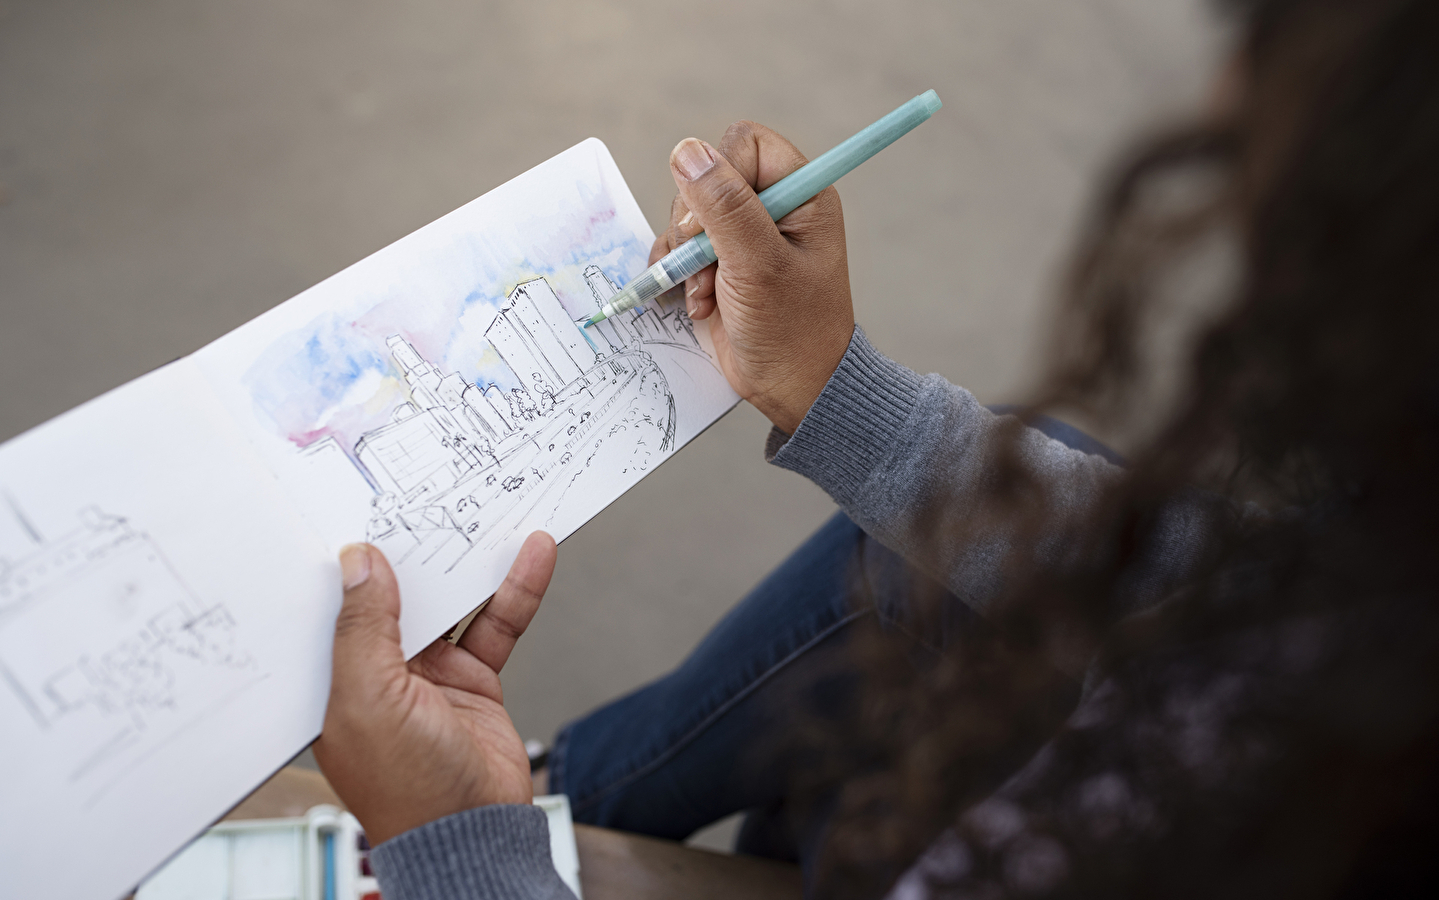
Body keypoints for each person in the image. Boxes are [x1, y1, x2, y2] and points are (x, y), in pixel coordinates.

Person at [313, 1, 1439, 897]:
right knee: (987, 510)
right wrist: (831, 387)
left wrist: (459, 851)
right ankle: (574, 793)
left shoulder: (1213, 817)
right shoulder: (1364, 592)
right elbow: (1207, 578)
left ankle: (542, 820)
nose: (1216, 106)